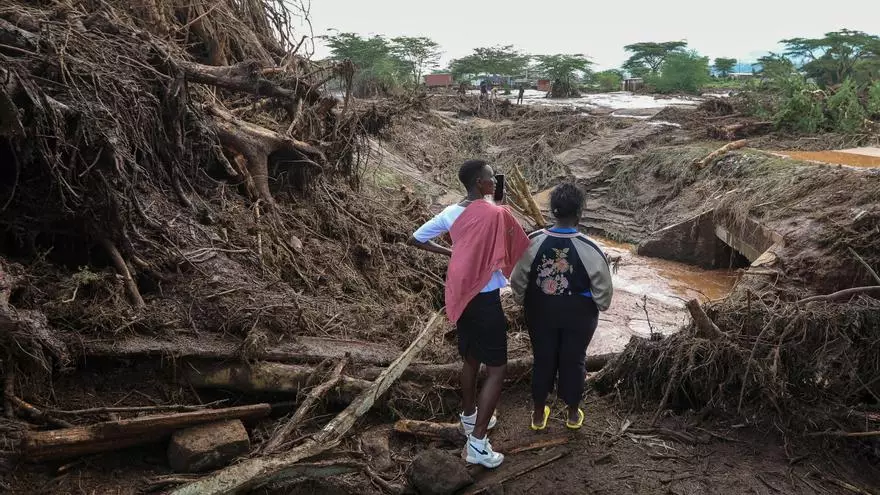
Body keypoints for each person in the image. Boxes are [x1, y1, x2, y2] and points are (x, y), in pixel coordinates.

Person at [408, 160, 529, 468]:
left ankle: (469, 418)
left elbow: (416, 238)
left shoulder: (450, 213)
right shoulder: (497, 213)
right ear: (479, 182)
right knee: (498, 369)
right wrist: (502, 209)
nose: (493, 182)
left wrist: (452, 252)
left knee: (471, 358)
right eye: (490, 178)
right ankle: (477, 444)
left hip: (463, 295)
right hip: (485, 298)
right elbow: (519, 242)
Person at [510, 183, 613, 430]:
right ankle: (573, 414)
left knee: (543, 358)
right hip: (579, 314)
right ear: (579, 213)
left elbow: (518, 279)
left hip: (540, 310)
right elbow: (604, 291)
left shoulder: (533, 242)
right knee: (575, 359)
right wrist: (599, 305)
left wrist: (522, 300)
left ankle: (537, 415)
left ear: (553, 212)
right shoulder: (591, 248)